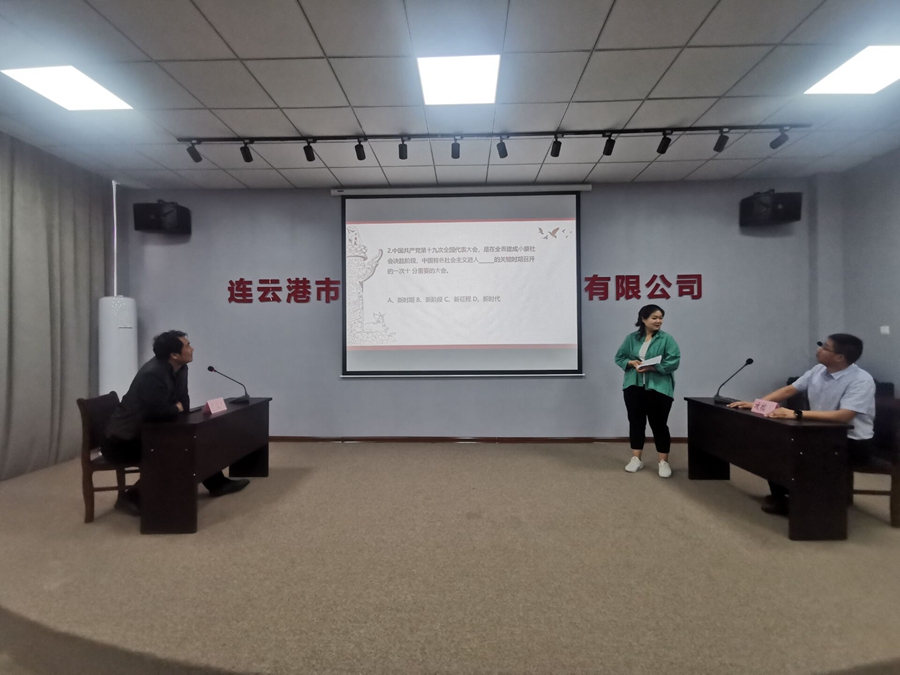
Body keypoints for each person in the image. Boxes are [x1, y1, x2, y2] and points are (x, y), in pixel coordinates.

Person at [103, 330, 249, 516]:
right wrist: (176, 408)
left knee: (196, 440)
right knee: (178, 451)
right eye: (187, 346)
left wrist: (180, 412)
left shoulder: (180, 367)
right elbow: (156, 412)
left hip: (149, 432)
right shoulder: (152, 375)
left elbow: (182, 400)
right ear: (174, 355)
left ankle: (217, 484)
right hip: (123, 442)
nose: (192, 349)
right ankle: (131, 497)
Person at [728, 334, 876, 516]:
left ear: (839, 357)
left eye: (825, 347)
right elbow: (789, 390)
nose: (819, 350)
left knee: (791, 452)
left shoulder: (861, 380)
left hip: (851, 443)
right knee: (772, 445)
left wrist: (796, 414)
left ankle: (806, 503)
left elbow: (844, 416)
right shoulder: (818, 370)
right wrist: (757, 404)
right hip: (818, 433)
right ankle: (784, 497)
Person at [614, 304, 681, 478]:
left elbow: (674, 361)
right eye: (654, 318)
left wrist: (653, 367)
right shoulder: (631, 338)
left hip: (658, 388)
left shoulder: (667, 339)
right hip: (633, 387)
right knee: (636, 422)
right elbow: (619, 357)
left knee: (659, 424)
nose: (658, 321)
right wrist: (631, 363)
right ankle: (636, 459)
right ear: (643, 319)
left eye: (661, 318)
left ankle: (663, 462)